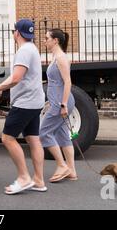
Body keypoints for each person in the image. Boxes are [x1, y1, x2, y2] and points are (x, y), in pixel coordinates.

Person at [0, 19, 46, 195]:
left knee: (7, 138)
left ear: (17, 33)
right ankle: (38, 180)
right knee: (33, 139)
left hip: (25, 103)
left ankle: (23, 177)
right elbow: (16, 76)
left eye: (14, 31)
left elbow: (16, 78)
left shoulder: (23, 51)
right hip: (35, 101)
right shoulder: (32, 48)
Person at [40, 29, 78, 183]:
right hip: (57, 102)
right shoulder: (55, 57)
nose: (44, 40)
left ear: (55, 40)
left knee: (43, 133)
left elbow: (67, 82)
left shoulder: (61, 58)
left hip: (61, 103)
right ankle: (72, 172)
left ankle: (62, 165)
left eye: (46, 38)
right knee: (62, 135)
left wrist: (63, 104)